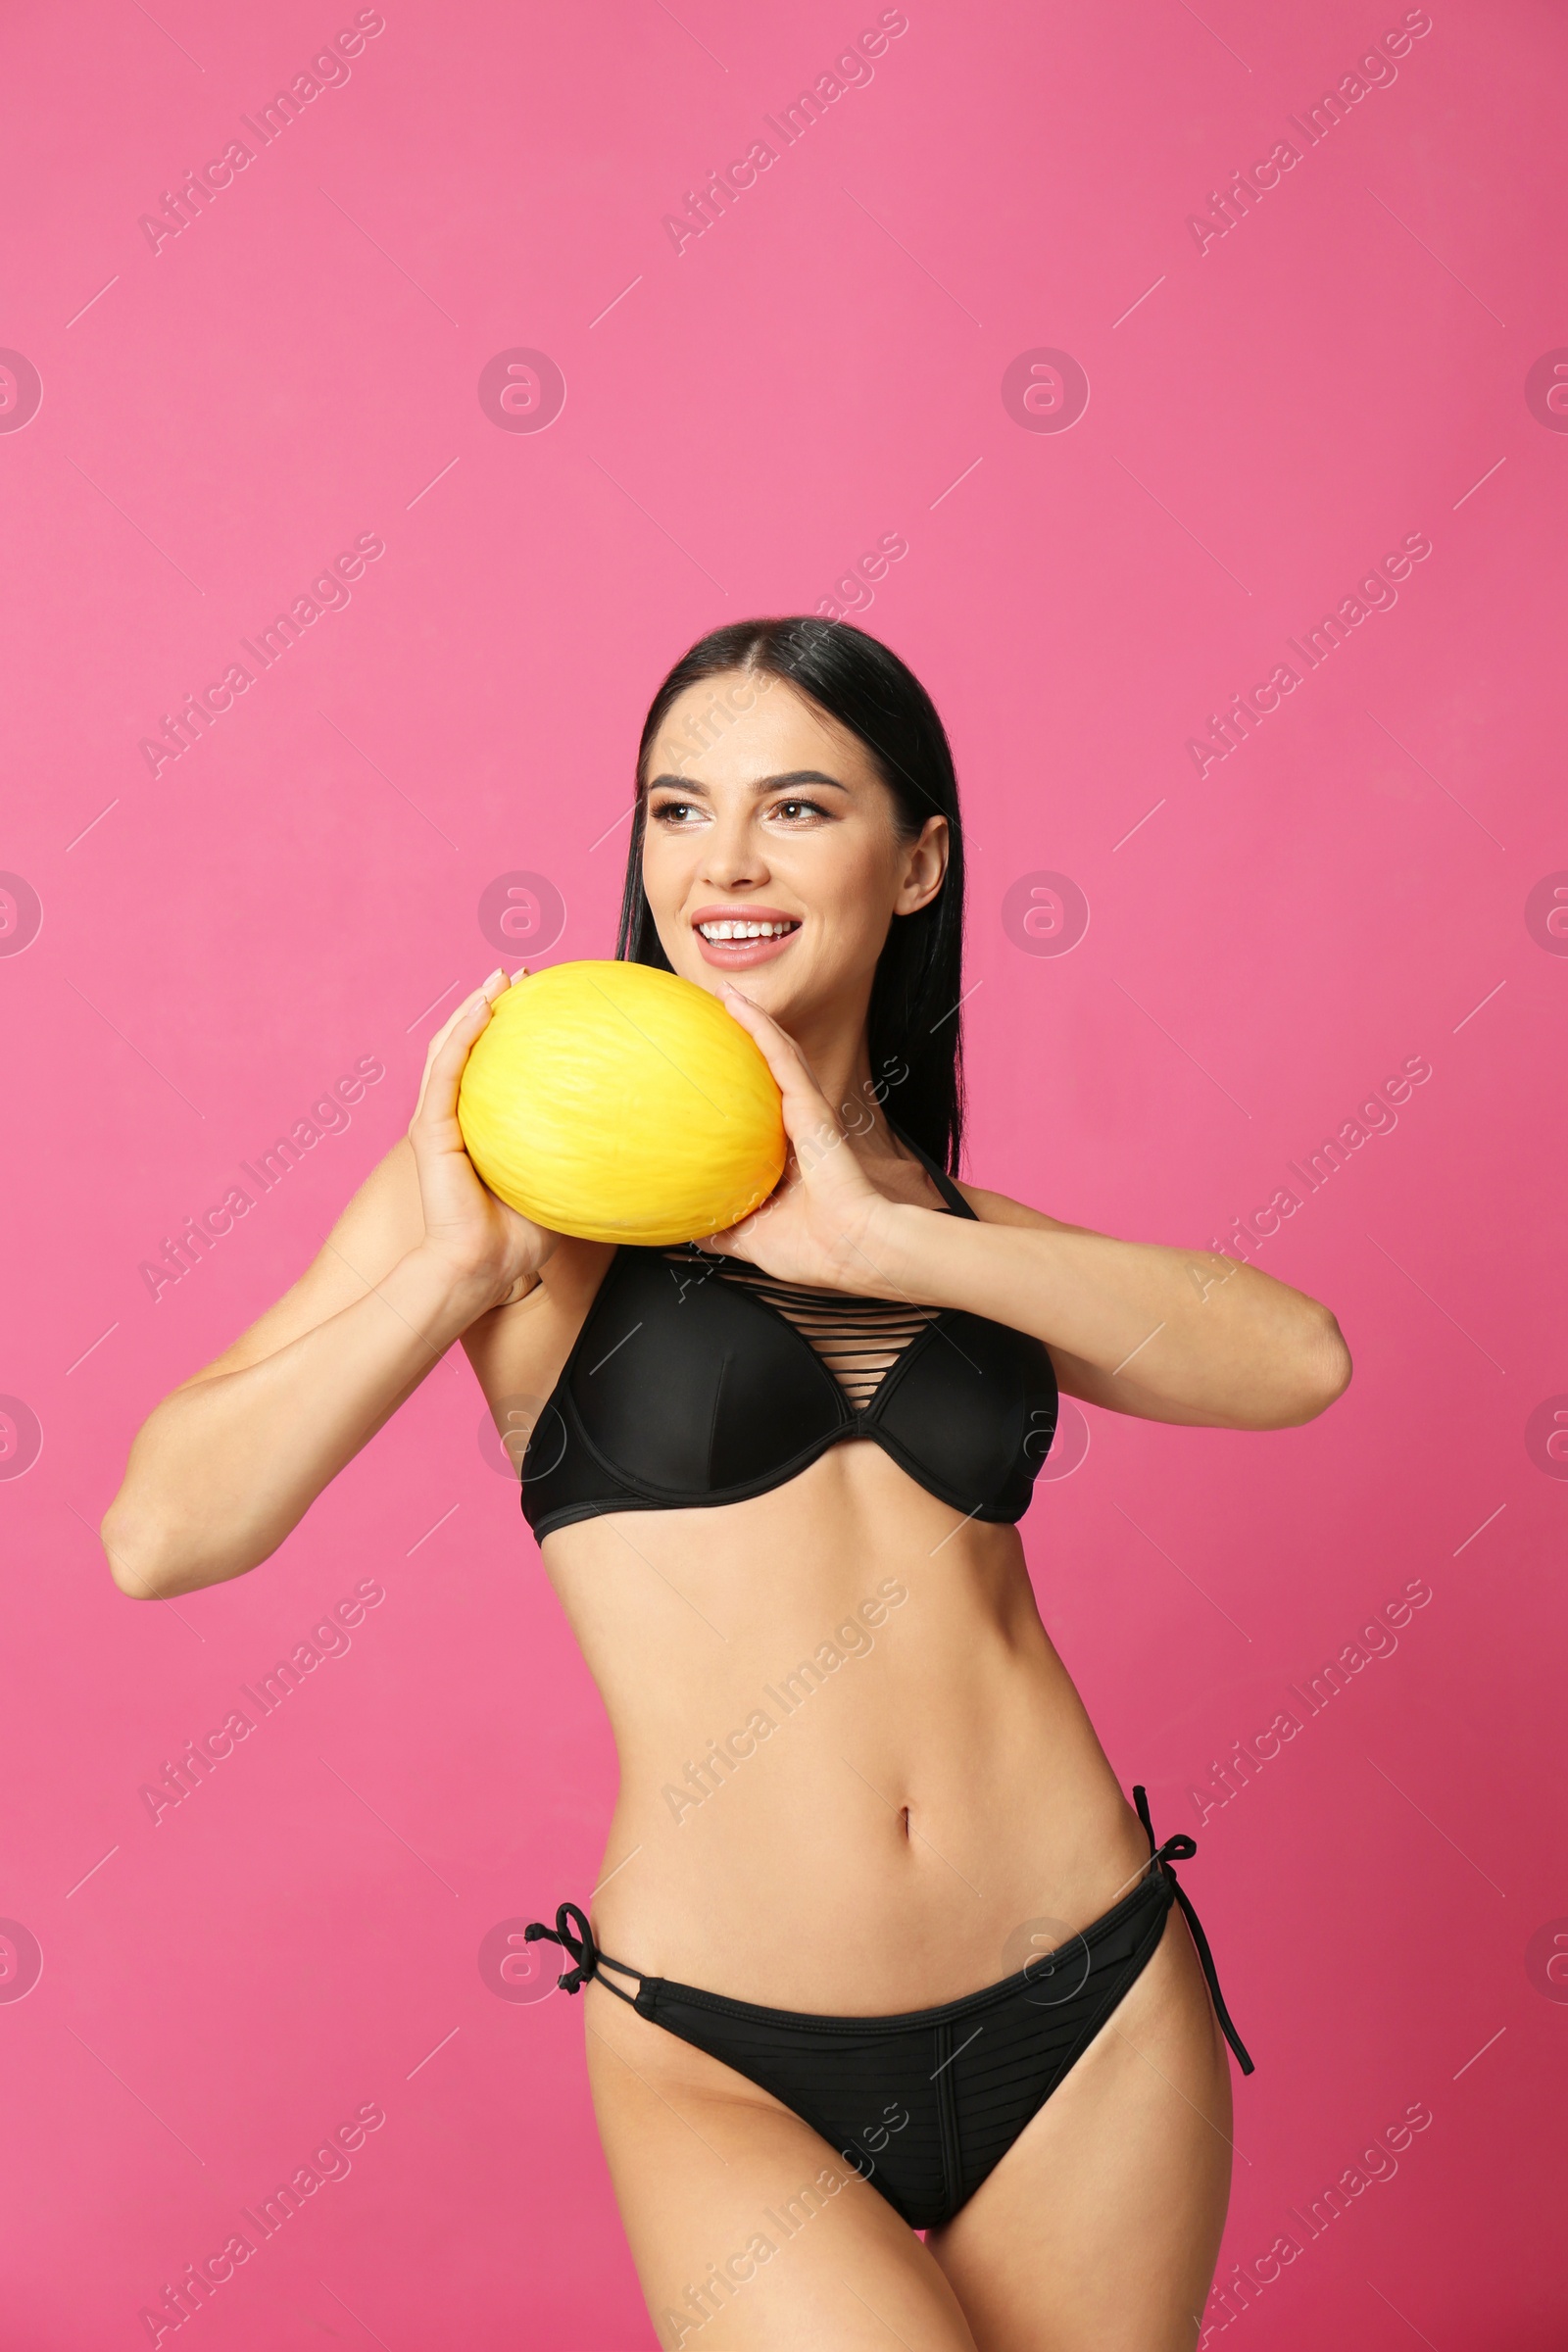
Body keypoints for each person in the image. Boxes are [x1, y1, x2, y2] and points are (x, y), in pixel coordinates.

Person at [103, 617, 1350, 2349]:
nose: (728, 864)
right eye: (678, 810)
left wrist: (881, 1234)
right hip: (733, 2045)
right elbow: (163, 1532)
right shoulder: (513, 1192)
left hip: (1090, 1999)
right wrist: (446, 1281)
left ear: (919, 863)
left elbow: (1298, 1362)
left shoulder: (942, 1222)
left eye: (799, 808)